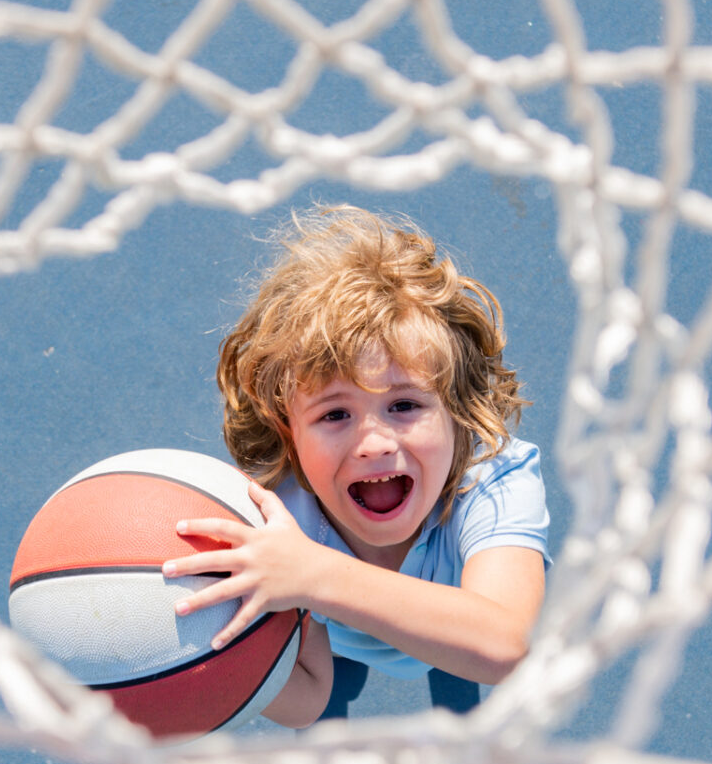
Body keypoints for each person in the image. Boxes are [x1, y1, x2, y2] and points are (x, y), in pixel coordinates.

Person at [167, 205, 547, 727]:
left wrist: (313, 576)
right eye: (335, 414)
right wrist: (206, 657)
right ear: (287, 431)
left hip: (453, 625)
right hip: (343, 639)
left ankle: (444, 641)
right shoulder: (275, 519)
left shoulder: (497, 480)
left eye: (405, 405)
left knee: (463, 645)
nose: (373, 443)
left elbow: (504, 645)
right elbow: (309, 701)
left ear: (458, 414)